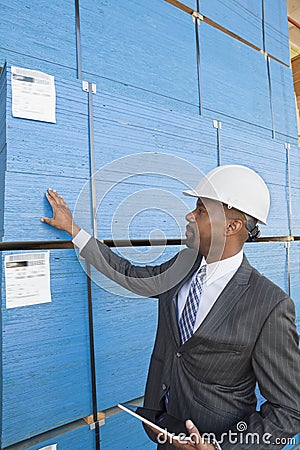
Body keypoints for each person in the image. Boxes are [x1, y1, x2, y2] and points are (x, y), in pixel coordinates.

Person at [41, 165, 300, 450]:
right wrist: (74, 231)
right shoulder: (183, 264)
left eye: (201, 210)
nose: (189, 215)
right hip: (165, 432)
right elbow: (128, 275)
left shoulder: (269, 304)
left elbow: (289, 409)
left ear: (231, 226)